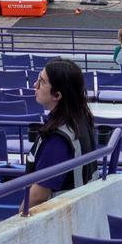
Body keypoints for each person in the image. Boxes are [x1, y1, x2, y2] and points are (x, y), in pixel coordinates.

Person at [23, 59, 96, 213]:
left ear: (57, 95)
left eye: (41, 82)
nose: (35, 86)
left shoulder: (58, 139)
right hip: (81, 209)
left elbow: (38, 196)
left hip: (64, 216)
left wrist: (18, 218)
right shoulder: (81, 116)